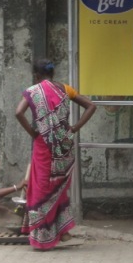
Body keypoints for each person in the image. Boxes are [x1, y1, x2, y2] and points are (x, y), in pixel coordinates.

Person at [16, 59, 97, 250]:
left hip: (44, 146)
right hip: (64, 146)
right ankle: (63, 231)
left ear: (36, 75)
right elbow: (91, 106)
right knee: (58, 187)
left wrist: (32, 132)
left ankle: (44, 238)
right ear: (52, 73)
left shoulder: (33, 91)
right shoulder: (65, 89)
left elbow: (18, 112)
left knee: (42, 188)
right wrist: (75, 128)